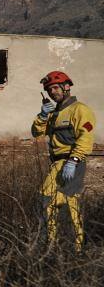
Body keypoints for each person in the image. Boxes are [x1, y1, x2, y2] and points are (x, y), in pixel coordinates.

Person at [31, 71, 96, 252]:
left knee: (67, 202)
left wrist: (74, 160)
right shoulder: (53, 113)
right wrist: (42, 116)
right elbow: (36, 133)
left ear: (66, 87)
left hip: (72, 163)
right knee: (45, 200)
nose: (52, 92)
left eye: (55, 88)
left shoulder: (80, 110)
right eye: (49, 90)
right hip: (57, 165)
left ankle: (76, 249)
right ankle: (51, 244)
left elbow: (86, 136)